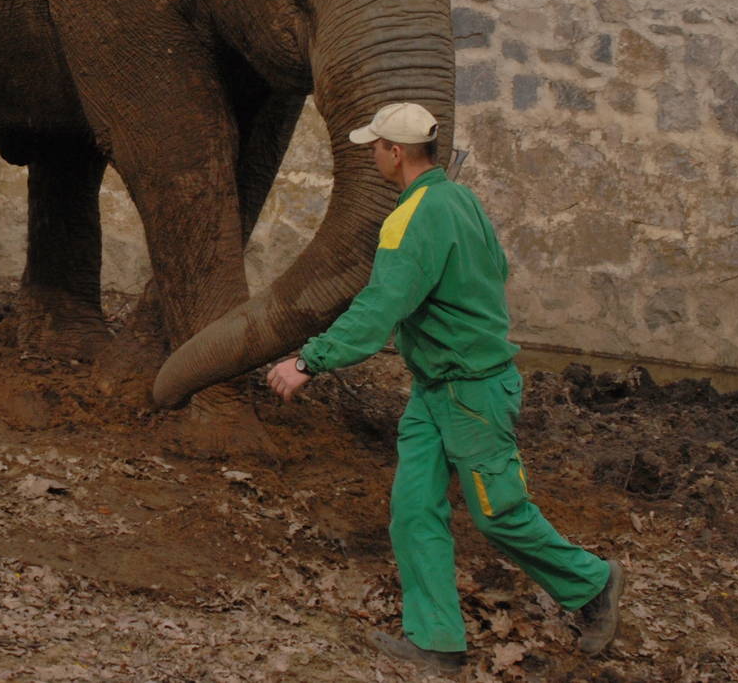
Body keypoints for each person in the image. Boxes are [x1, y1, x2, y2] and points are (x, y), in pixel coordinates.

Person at [265, 102, 625, 675]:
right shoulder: (461, 199)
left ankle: (592, 580)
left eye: (376, 146)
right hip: (434, 389)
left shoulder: (411, 219)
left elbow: (382, 305)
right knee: (413, 508)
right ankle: (437, 639)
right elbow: (497, 269)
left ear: (396, 153)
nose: (373, 154)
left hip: (472, 392)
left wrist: (310, 362)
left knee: (498, 514)